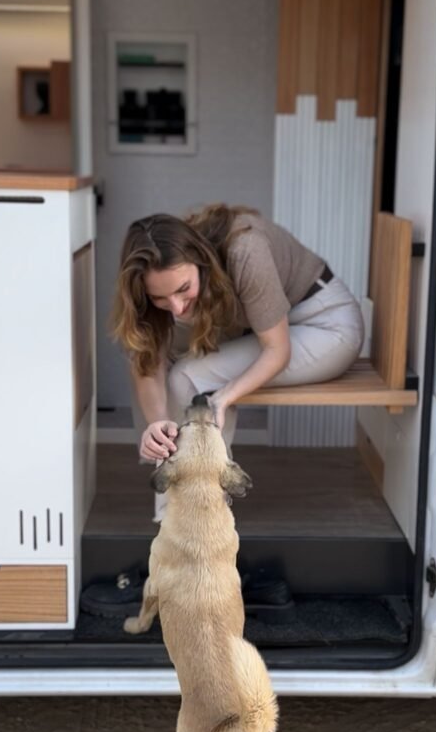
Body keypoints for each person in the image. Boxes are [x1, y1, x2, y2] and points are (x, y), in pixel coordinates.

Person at [110, 204, 364, 513]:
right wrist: (156, 422)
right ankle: (176, 514)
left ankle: (194, 519)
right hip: (264, 328)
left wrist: (223, 398)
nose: (176, 308)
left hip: (325, 326)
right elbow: (148, 358)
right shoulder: (166, 280)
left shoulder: (246, 251)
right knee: (152, 362)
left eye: (183, 289)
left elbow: (277, 350)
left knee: (187, 378)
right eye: (159, 298)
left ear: (200, 260)